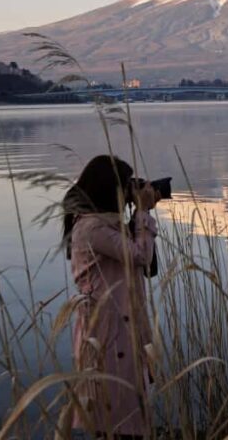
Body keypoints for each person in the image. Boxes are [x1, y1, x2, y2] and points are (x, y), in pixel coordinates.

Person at [62, 155, 160, 438]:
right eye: (127, 185)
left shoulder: (106, 225)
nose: (132, 191)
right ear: (110, 189)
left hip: (120, 329)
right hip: (108, 334)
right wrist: (142, 214)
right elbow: (140, 256)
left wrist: (137, 218)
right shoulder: (92, 228)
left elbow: (144, 263)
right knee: (115, 416)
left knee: (124, 415)